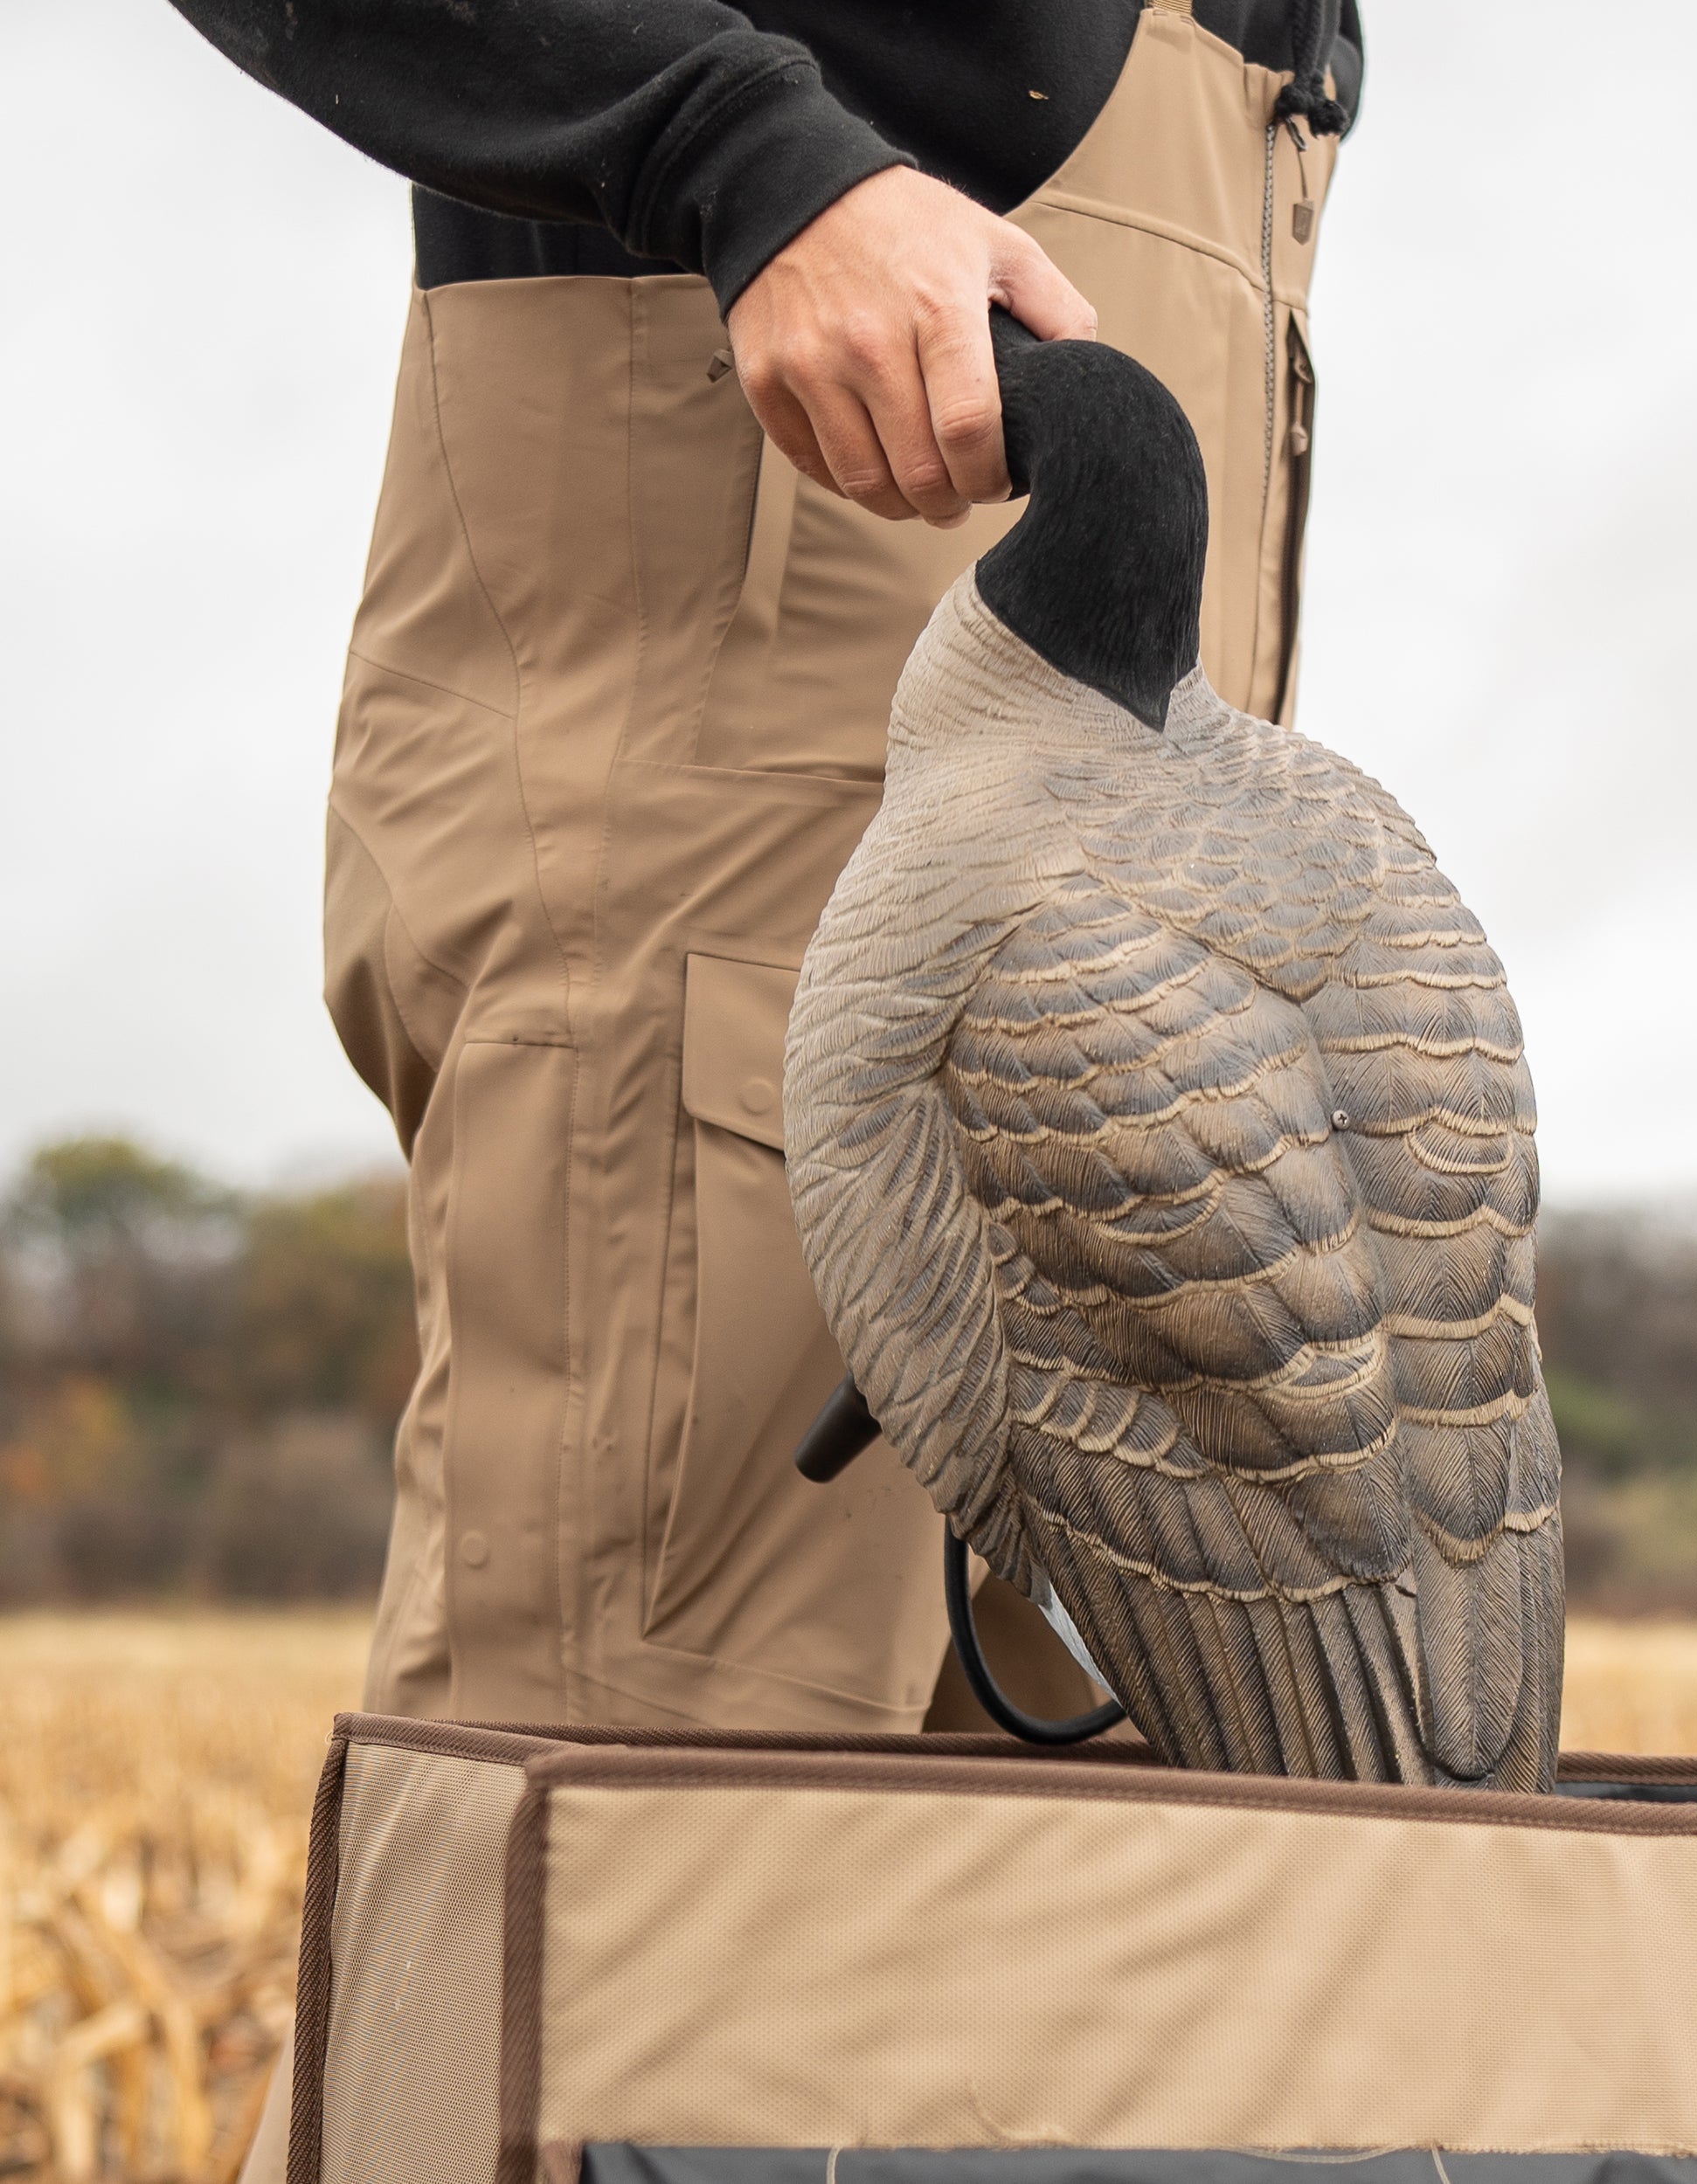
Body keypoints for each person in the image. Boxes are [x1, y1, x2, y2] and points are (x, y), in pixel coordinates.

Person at [164, 0, 1358, 2166]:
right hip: (769, 638)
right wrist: (741, 146)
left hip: (1139, 749)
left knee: (1014, 2033)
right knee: (617, 1949)